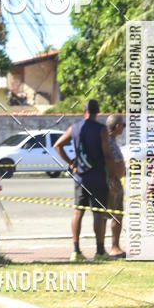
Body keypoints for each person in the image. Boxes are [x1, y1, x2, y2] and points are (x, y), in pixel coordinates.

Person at [54, 99, 115, 262]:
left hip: (80, 177)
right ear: (98, 112)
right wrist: (113, 176)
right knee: (98, 213)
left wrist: (71, 163)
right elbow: (107, 154)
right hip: (98, 176)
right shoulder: (101, 129)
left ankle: (76, 251)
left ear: (84, 111)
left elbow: (57, 145)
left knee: (78, 212)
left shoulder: (74, 128)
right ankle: (100, 251)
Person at [105, 114, 126, 258]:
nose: (124, 128)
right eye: (123, 125)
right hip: (112, 183)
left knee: (117, 215)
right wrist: (112, 179)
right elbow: (108, 163)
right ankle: (110, 247)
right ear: (117, 126)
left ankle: (115, 246)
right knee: (108, 215)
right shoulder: (108, 142)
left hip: (115, 181)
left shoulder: (111, 141)